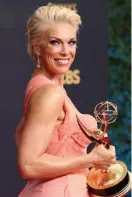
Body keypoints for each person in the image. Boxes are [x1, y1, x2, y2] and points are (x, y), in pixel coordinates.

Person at [15, 4, 116, 197]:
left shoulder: (45, 87)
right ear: (37, 48)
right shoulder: (49, 93)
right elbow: (27, 165)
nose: (65, 51)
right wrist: (90, 159)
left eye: (71, 42)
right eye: (55, 42)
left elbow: (20, 134)